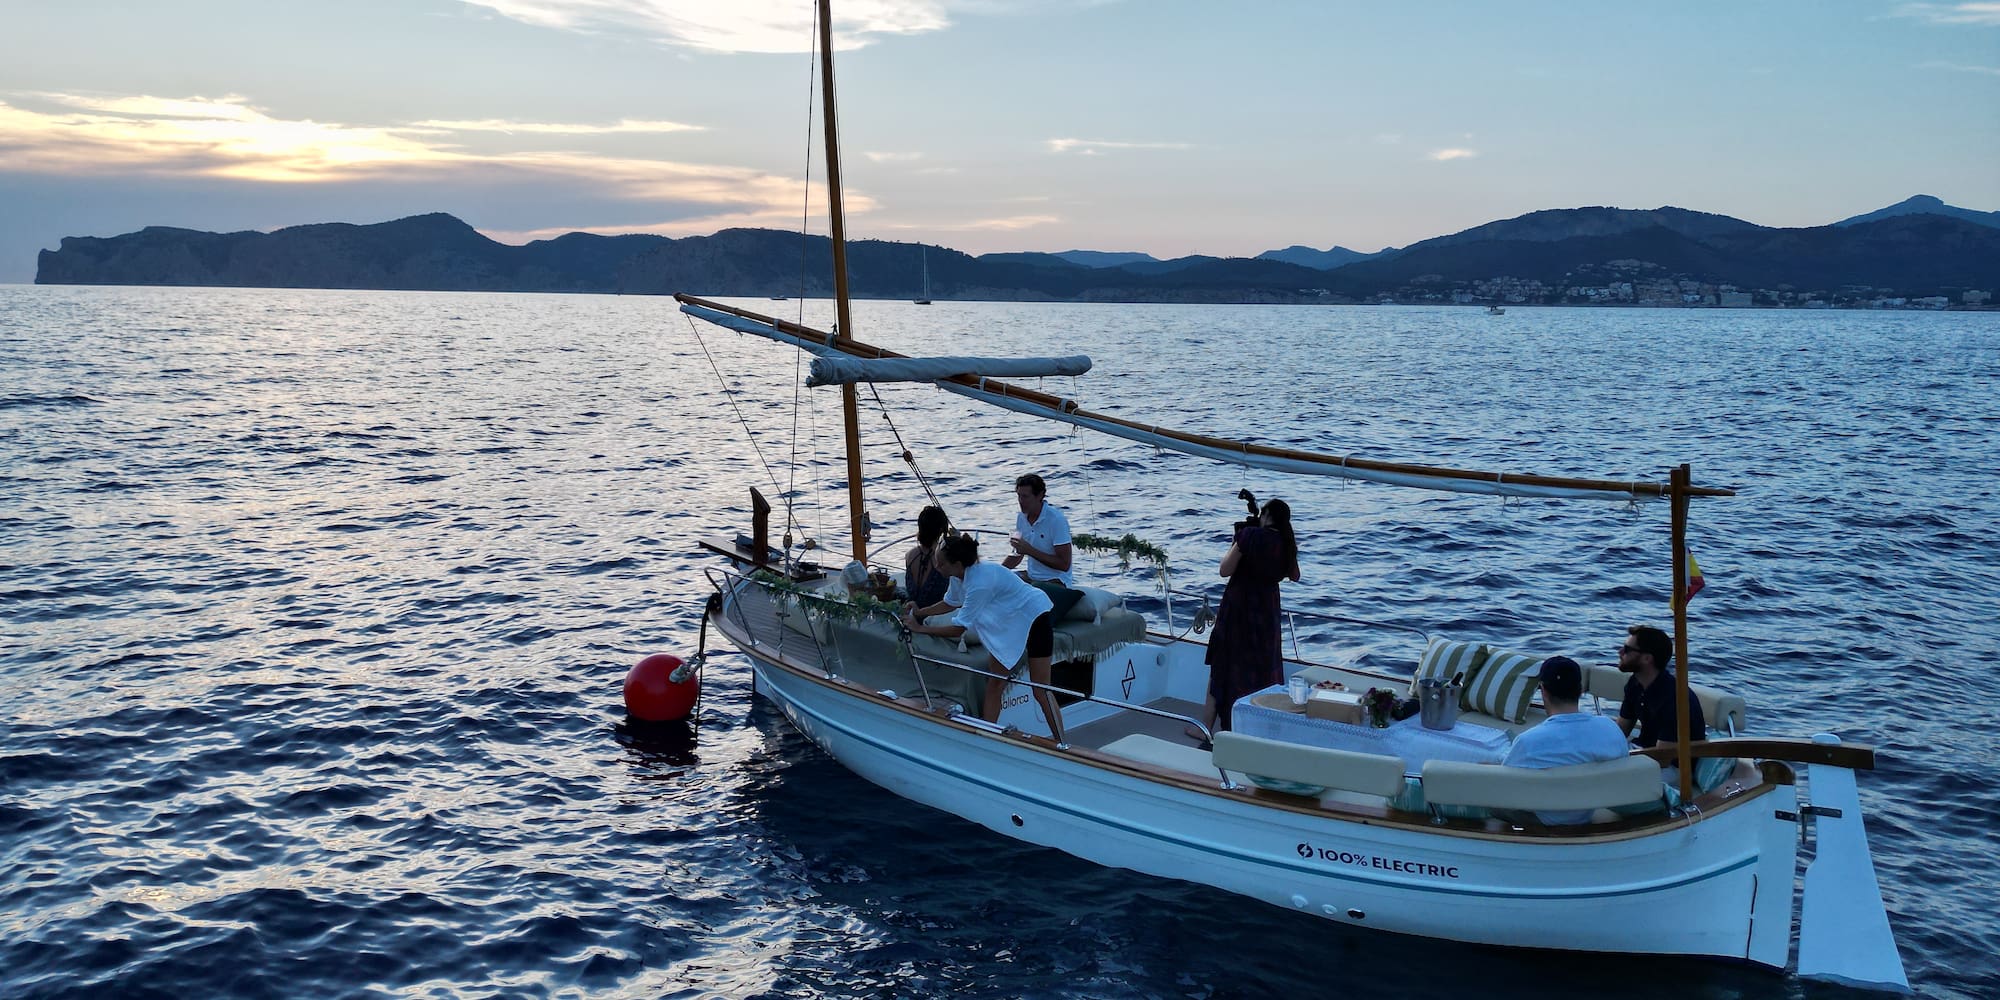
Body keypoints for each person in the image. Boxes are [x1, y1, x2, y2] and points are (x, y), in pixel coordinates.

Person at [903, 534, 1067, 745]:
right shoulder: (957, 575)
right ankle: (988, 737)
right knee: (994, 684)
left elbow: (958, 629)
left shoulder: (979, 582)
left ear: (957, 564)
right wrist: (920, 613)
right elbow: (950, 602)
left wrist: (920, 629)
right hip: (1009, 623)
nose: (936, 566)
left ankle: (1062, 743)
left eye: (940, 563)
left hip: (1035, 617)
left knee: (1040, 690)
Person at [1192, 498, 1301, 738]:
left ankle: (1206, 728)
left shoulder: (1250, 536)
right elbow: (1295, 575)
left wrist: (1238, 541)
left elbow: (1225, 570)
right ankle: (1256, 728)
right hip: (1267, 613)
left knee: (1223, 664)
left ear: (1267, 514)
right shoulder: (1286, 543)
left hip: (1239, 608)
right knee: (1262, 670)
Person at [1503, 656, 1631, 824]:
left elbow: (1504, 787)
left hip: (1543, 821)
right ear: (1580, 689)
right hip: (1586, 814)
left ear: (1543, 691)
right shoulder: (1611, 729)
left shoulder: (1528, 742)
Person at [1616, 624, 1706, 749]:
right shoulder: (1635, 684)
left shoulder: (1674, 699)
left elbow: (1663, 755)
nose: (1620, 652)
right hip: (1644, 751)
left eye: (1627, 649)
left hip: (1672, 764)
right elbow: (1620, 731)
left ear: (1647, 658)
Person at [903, 505, 951, 607]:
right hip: (936, 615)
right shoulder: (944, 558)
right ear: (941, 530)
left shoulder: (910, 555)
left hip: (913, 610)